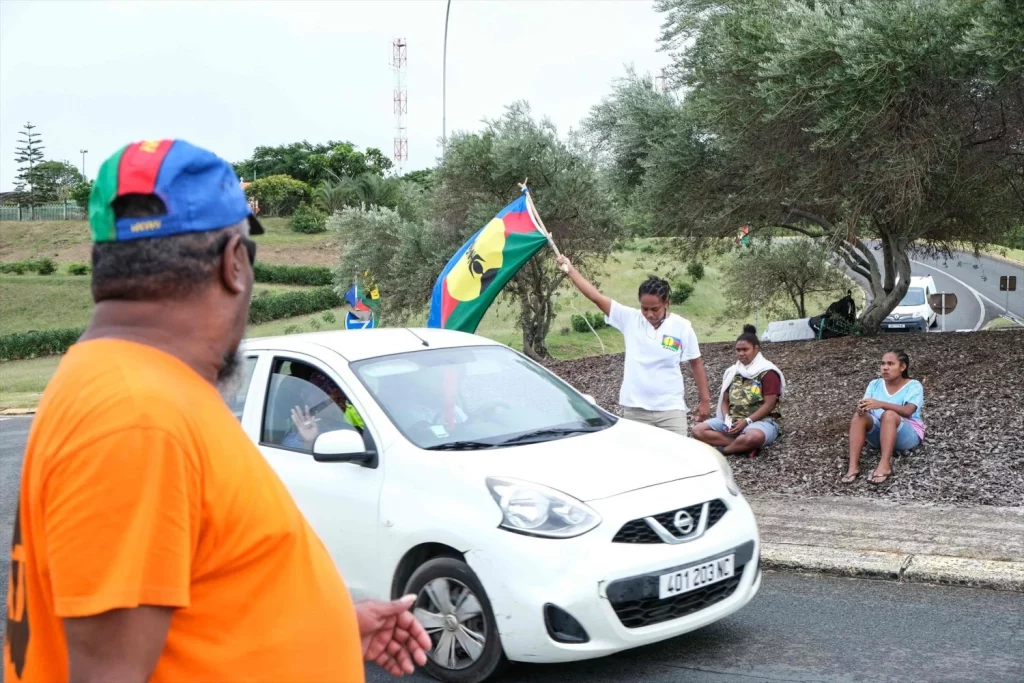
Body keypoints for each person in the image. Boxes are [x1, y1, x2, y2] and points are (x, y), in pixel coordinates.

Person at [3, 140, 430, 683]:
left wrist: (324, 627)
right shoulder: (138, 418)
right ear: (234, 264)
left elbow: (196, 601)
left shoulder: (132, 388)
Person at [558, 255, 711, 436]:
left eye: (655, 309)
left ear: (666, 304)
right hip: (635, 410)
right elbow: (595, 297)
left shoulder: (682, 327)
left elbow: (696, 363)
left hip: (671, 409)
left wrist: (705, 400)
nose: (649, 314)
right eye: (644, 308)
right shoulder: (629, 319)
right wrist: (571, 270)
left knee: (677, 459)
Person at [693, 325, 785, 457]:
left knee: (754, 437)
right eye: (738, 350)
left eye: (745, 350)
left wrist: (747, 421)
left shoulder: (767, 372)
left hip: (760, 421)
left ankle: (723, 451)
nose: (741, 353)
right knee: (698, 430)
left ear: (756, 348)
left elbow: (769, 404)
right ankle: (741, 446)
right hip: (734, 419)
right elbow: (725, 401)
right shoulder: (733, 372)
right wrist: (727, 419)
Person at [842, 350, 925, 485]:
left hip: (907, 437)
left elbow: (908, 411)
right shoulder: (875, 384)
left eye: (891, 364)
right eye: (883, 364)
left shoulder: (914, 385)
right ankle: (853, 467)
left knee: (889, 415)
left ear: (902, 367)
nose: (885, 367)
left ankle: (884, 465)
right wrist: (862, 408)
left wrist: (881, 404)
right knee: (859, 416)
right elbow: (866, 406)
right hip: (879, 435)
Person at [284, 370, 365, 450]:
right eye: (337, 400)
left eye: (344, 400)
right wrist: (309, 442)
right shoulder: (297, 436)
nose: (342, 405)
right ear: (319, 402)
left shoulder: (348, 429)